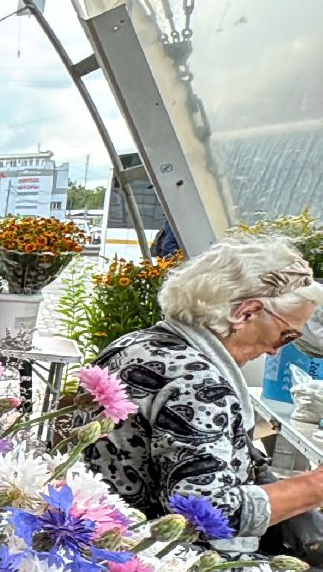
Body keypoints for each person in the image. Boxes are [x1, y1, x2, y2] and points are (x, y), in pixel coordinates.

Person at [83, 235, 323, 555]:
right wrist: (315, 486)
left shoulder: (133, 345)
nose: (275, 349)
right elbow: (206, 511)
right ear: (246, 313)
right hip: (161, 564)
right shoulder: (200, 386)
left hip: (98, 534)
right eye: (285, 334)